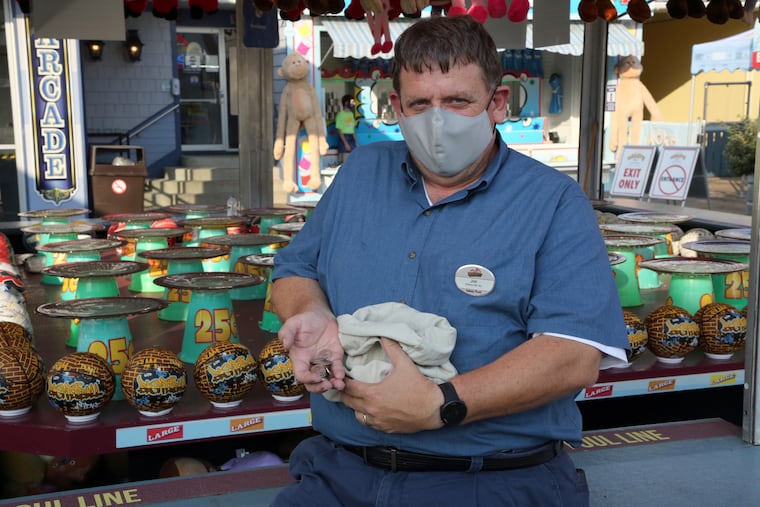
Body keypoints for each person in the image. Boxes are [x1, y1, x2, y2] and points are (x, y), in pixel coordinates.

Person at [269, 15, 629, 507]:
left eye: (458, 101)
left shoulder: (553, 202)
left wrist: (442, 404)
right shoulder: (359, 175)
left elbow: (574, 355)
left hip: (487, 480)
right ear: (396, 106)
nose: (437, 121)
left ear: (497, 103)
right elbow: (296, 269)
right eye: (419, 103)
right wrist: (309, 312)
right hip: (338, 472)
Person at [335, 94, 358, 160]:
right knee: (344, 159)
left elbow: (352, 129)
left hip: (351, 137)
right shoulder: (340, 115)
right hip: (344, 137)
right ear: (346, 103)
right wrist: (345, 143)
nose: (354, 104)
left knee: (353, 157)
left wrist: (356, 141)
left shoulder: (351, 114)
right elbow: (339, 130)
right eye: (352, 102)